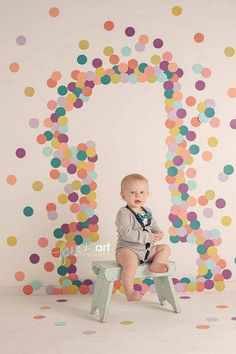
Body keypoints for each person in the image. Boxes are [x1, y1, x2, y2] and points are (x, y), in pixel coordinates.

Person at [115, 173, 171, 302]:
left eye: (141, 192)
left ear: (147, 194)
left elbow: (154, 226)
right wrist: (148, 237)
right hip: (127, 250)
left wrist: (159, 233)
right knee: (131, 263)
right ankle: (129, 292)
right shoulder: (124, 213)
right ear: (123, 195)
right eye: (132, 192)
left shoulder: (147, 212)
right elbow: (126, 233)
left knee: (165, 248)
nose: (138, 195)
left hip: (145, 251)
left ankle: (156, 264)